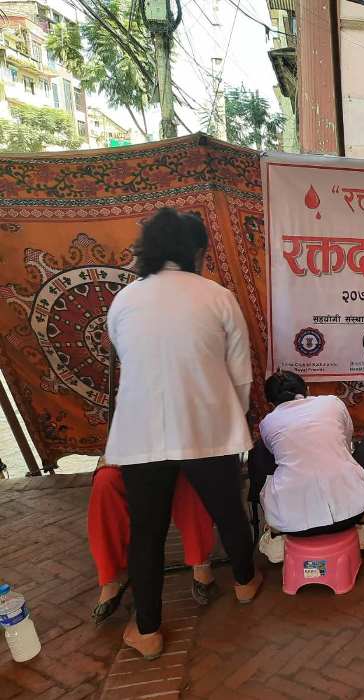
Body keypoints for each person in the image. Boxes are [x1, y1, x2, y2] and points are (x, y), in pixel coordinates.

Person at [106, 208, 261, 660]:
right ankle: (245, 583)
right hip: (206, 424)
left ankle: (148, 631)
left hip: (141, 433)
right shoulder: (218, 296)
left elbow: (132, 358)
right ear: (196, 253)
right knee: (228, 511)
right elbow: (240, 372)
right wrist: (232, 419)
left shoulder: (124, 300)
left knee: (147, 532)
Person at [247, 370, 364, 555]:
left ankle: (276, 535)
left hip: (292, 525)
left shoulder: (268, 423)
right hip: (352, 514)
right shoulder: (332, 402)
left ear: (271, 404)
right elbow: (345, 443)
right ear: (307, 390)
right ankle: (362, 525)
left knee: (259, 450)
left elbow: (273, 456)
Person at [88, 460, 217, 624]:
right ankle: (112, 576)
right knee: (105, 481)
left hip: (178, 455)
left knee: (189, 476)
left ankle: (200, 560)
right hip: (131, 456)